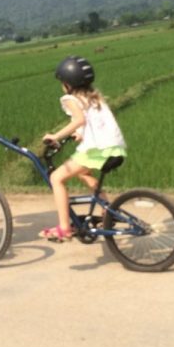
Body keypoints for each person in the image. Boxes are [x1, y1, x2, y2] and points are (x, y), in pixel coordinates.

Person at [40, 55, 127, 242]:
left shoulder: (70, 98)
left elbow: (80, 119)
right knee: (84, 173)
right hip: (115, 148)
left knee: (56, 178)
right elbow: (93, 121)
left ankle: (64, 228)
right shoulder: (93, 96)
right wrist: (80, 133)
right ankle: (107, 212)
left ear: (68, 83)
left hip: (98, 150)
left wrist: (55, 136)